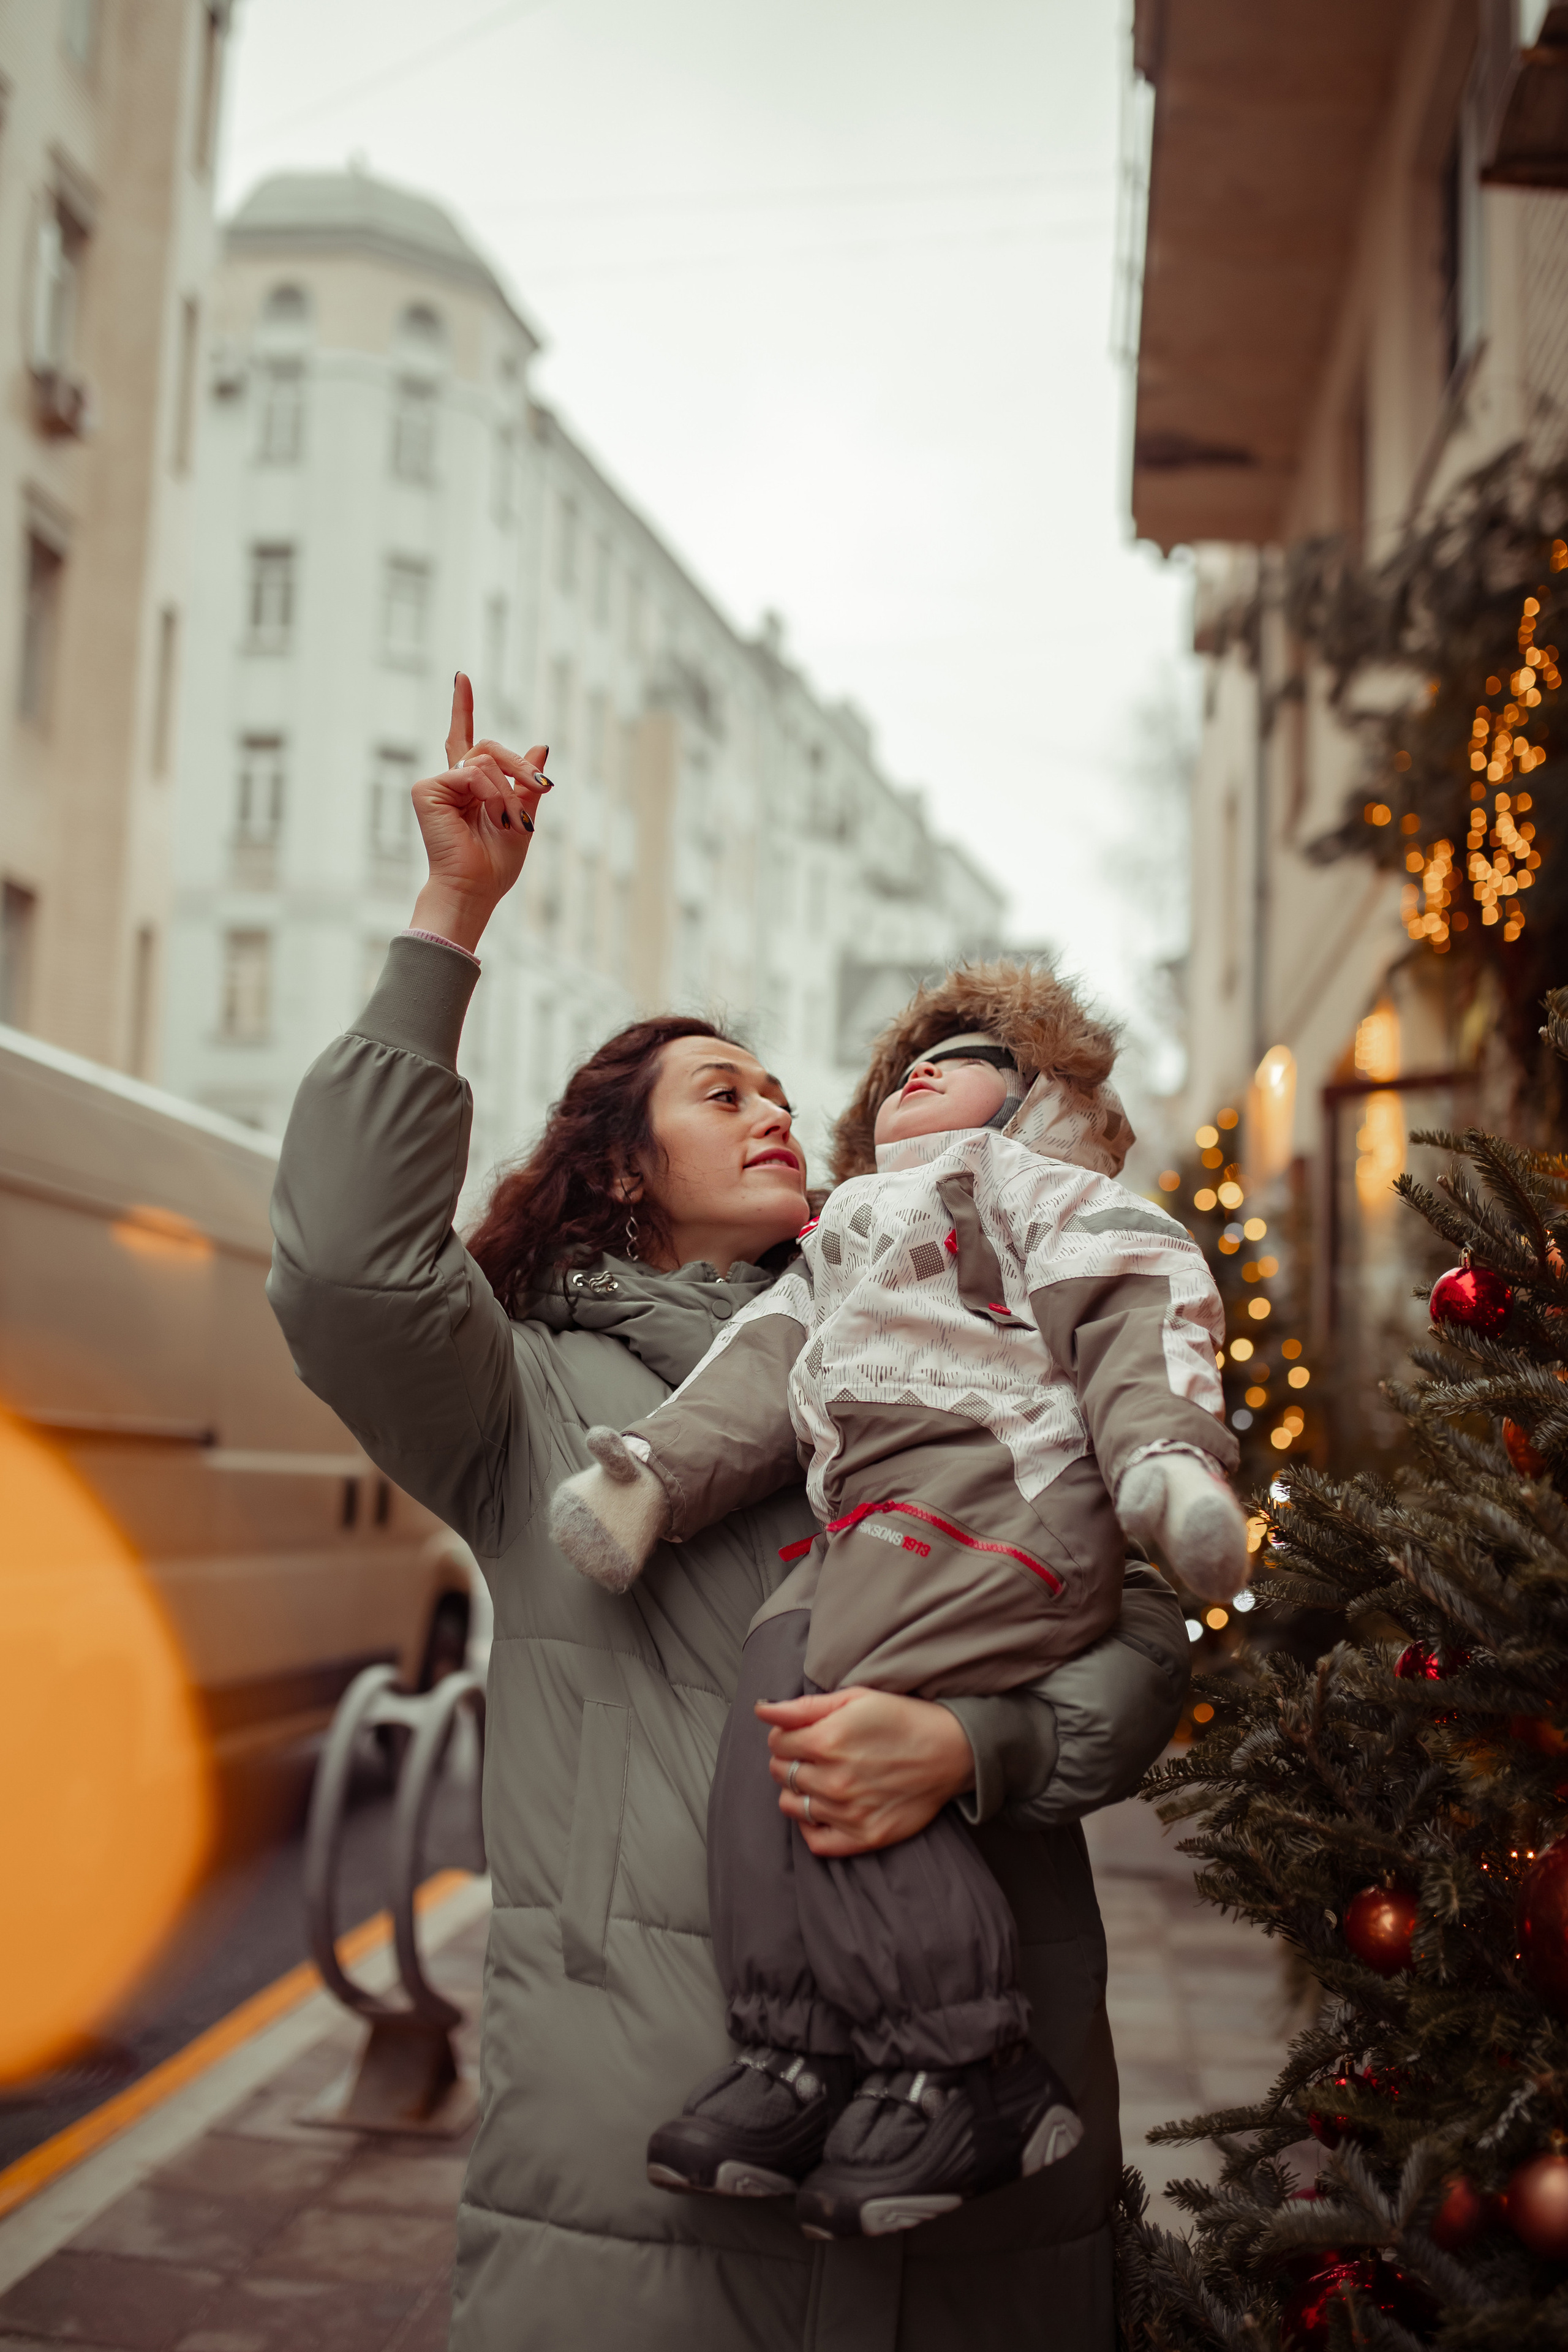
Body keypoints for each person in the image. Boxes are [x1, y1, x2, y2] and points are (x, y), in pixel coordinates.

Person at [267, 677, 1195, 2350]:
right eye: (719, 1091)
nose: (774, 1107)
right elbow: (341, 1267)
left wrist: (975, 1750)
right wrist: (453, 914)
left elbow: (1145, 1658)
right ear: (622, 1167)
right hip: (649, 2189)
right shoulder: (530, 1404)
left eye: (783, 1089)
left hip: (983, 2193)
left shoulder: (985, 1361)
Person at [551, 967, 1244, 2239]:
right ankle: (796, 2052)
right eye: (904, 1068)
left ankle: (970, 2064)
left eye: (968, 1055)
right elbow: (759, 1374)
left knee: (833, 1688)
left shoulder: (1051, 1198)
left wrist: (1165, 1468)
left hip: (1007, 1501)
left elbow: (1142, 1322)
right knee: (770, 1714)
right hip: (872, 1530)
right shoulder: (841, 1243)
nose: (921, 1070)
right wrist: (649, 1474)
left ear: (1039, 1102)